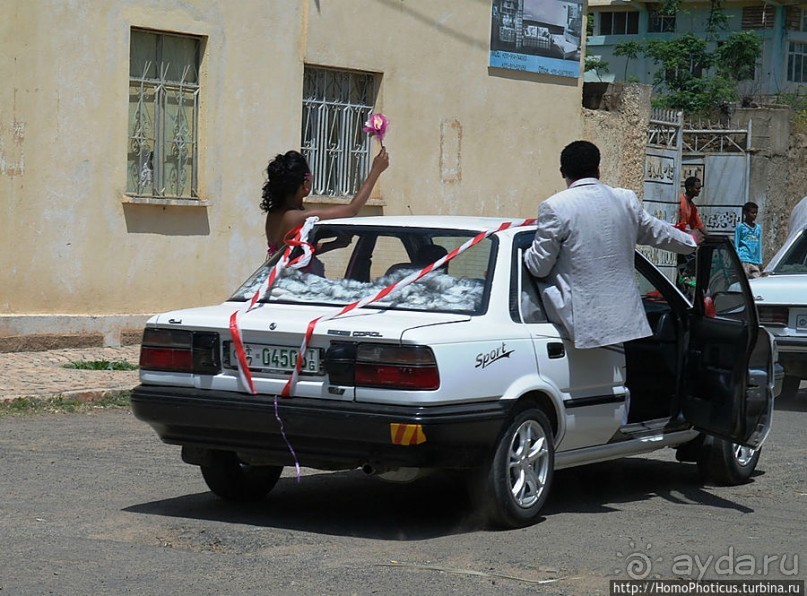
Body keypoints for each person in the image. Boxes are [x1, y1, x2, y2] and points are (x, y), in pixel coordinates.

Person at [523, 140, 698, 349]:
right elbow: (659, 233)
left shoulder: (555, 207)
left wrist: (527, 254)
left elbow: (538, 267)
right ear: (598, 169)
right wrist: (691, 241)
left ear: (563, 172)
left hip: (580, 325)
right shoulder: (625, 200)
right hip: (624, 322)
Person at [260, 148, 389, 256]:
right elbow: (352, 209)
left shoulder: (274, 214)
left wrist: (335, 243)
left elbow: (297, 253)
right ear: (305, 185)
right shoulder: (295, 217)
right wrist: (376, 170)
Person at [734, 202, 763, 279]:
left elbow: (759, 245)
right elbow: (736, 243)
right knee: (743, 280)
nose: (754, 215)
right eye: (752, 213)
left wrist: (760, 261)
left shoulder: (758, 228)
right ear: (745, 213)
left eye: (756, 213)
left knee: (757, 279)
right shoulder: (740, 227)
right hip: (743, 258)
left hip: (754, 260)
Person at [677, 176, 707, 242]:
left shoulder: (692, 205)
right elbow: (681, 224)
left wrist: (710, 237)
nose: (699, 190)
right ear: (690, 188)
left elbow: (698, 224)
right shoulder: (681, 201)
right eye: (697, 188)